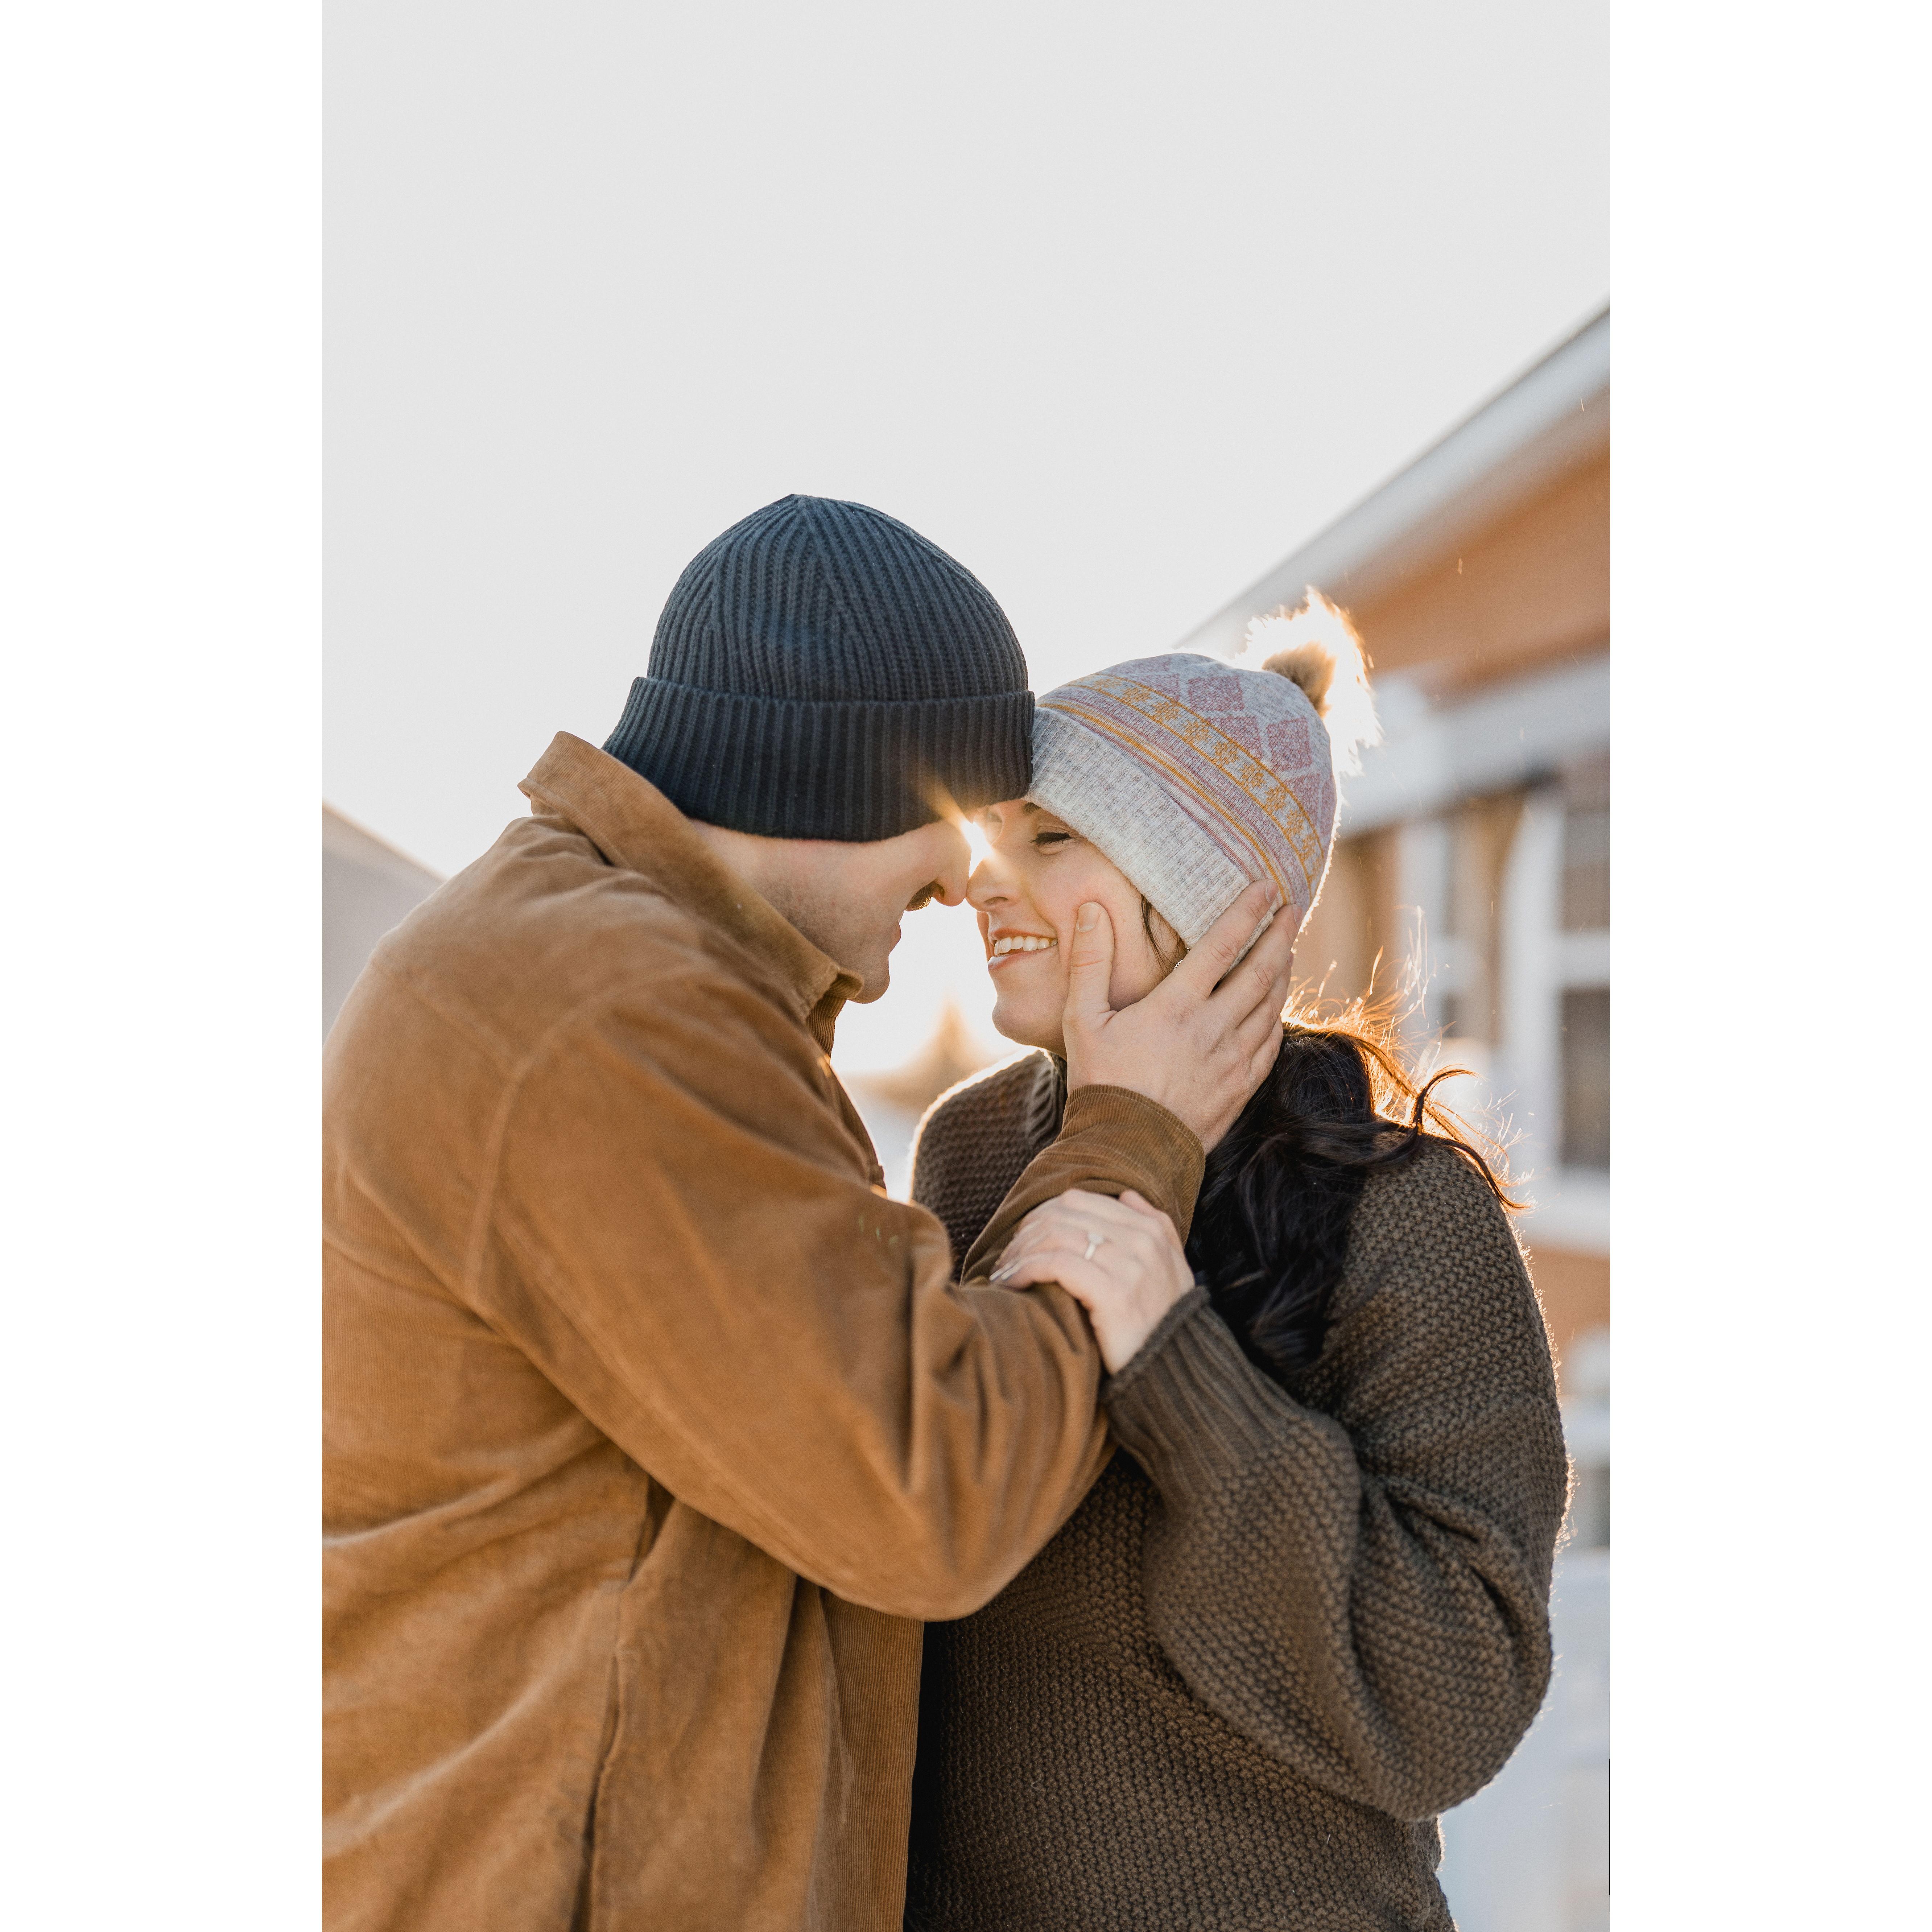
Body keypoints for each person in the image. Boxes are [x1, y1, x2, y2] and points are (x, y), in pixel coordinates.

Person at [322, 495, 1295, 1932]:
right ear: (840, 781)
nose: (976, 875)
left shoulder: (644, 983)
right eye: (961, 810)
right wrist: (1135, 1133)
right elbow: (930, 1484)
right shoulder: (601, 1013)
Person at [903, 602, 1570, 1931]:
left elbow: (1457, 1704)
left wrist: (1175, 1359)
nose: (983, 879)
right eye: (994, 836)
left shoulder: (1408, 1215)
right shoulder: (968, 1151)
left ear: (1203, 890)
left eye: (1048, 838)